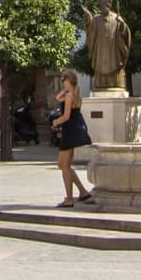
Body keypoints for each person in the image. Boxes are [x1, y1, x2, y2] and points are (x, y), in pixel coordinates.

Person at [50, 71, 95, 207]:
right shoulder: (74, 94)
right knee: (64, 165)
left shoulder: (70, 96)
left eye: (64, 79)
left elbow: (66, 116)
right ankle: (82, 192)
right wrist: (66, 89)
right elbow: (58, 98)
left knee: (63, 165)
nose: (63, 81)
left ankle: (69, 199)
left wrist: (56, 121)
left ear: (69, 80)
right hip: (72, 131)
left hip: (69, 132)